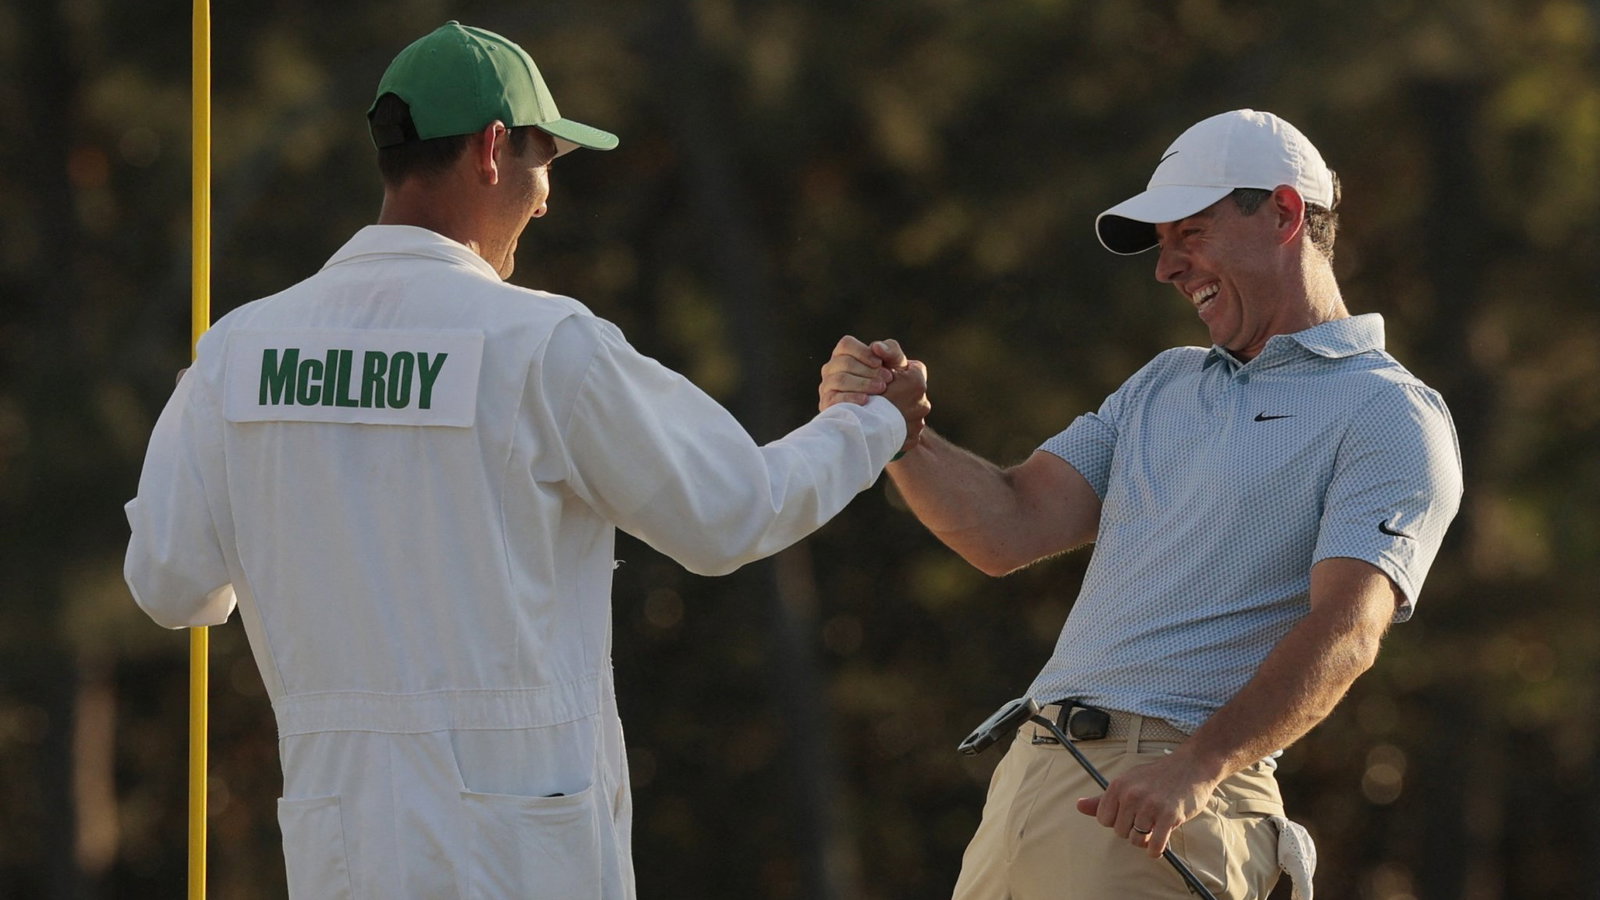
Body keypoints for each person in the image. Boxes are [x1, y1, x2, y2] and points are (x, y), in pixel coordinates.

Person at [124, 21, 927, 900]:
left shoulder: (238, 351)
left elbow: (173, 587)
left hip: (339, 853)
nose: (546, 200)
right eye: (546, 162)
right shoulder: (541, 345)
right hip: (522, 858)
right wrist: (868, 426)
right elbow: (733, 512)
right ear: (493, 150)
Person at [821, 109, 1463, 898]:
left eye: (1189, 232)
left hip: (1174, 800)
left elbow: (1349, 628)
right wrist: (899, 432)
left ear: (1285, 213)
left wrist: (1196, 766)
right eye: (1162, 244)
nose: (1167, 269)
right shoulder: (1162, 383)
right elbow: (1009, 524)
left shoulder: (1389, 411)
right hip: (1033, 786)